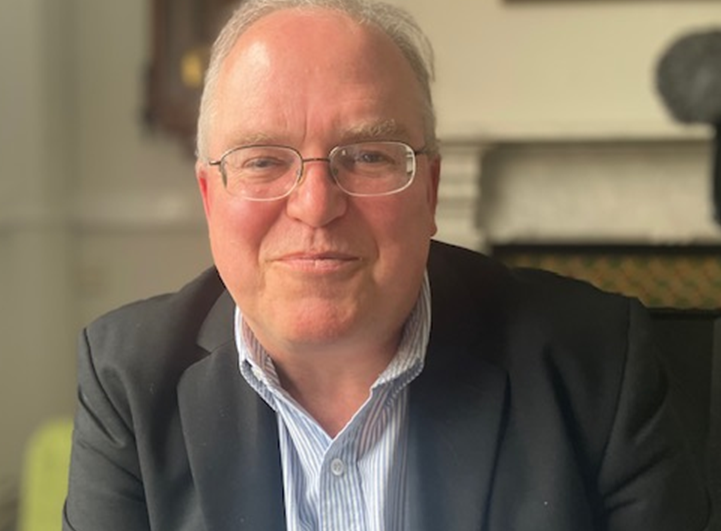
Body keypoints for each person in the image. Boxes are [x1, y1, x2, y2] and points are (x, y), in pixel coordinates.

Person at [63, 0, 709, 529]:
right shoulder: (128, 375)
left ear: (428, 191)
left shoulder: (597, 359)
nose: (315, 206)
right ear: (210, 196)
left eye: (368, 156)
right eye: (262, 160)